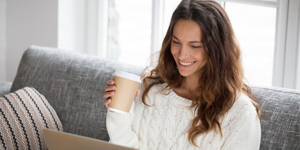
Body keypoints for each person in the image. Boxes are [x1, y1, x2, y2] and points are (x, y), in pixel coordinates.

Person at [103, 0, 261, 149]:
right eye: (176, 42)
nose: (182, 55)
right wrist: (119, 113)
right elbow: (122, 145)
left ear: (216, 50)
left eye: (194, 46)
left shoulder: (240, 113)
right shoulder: (150, 88)